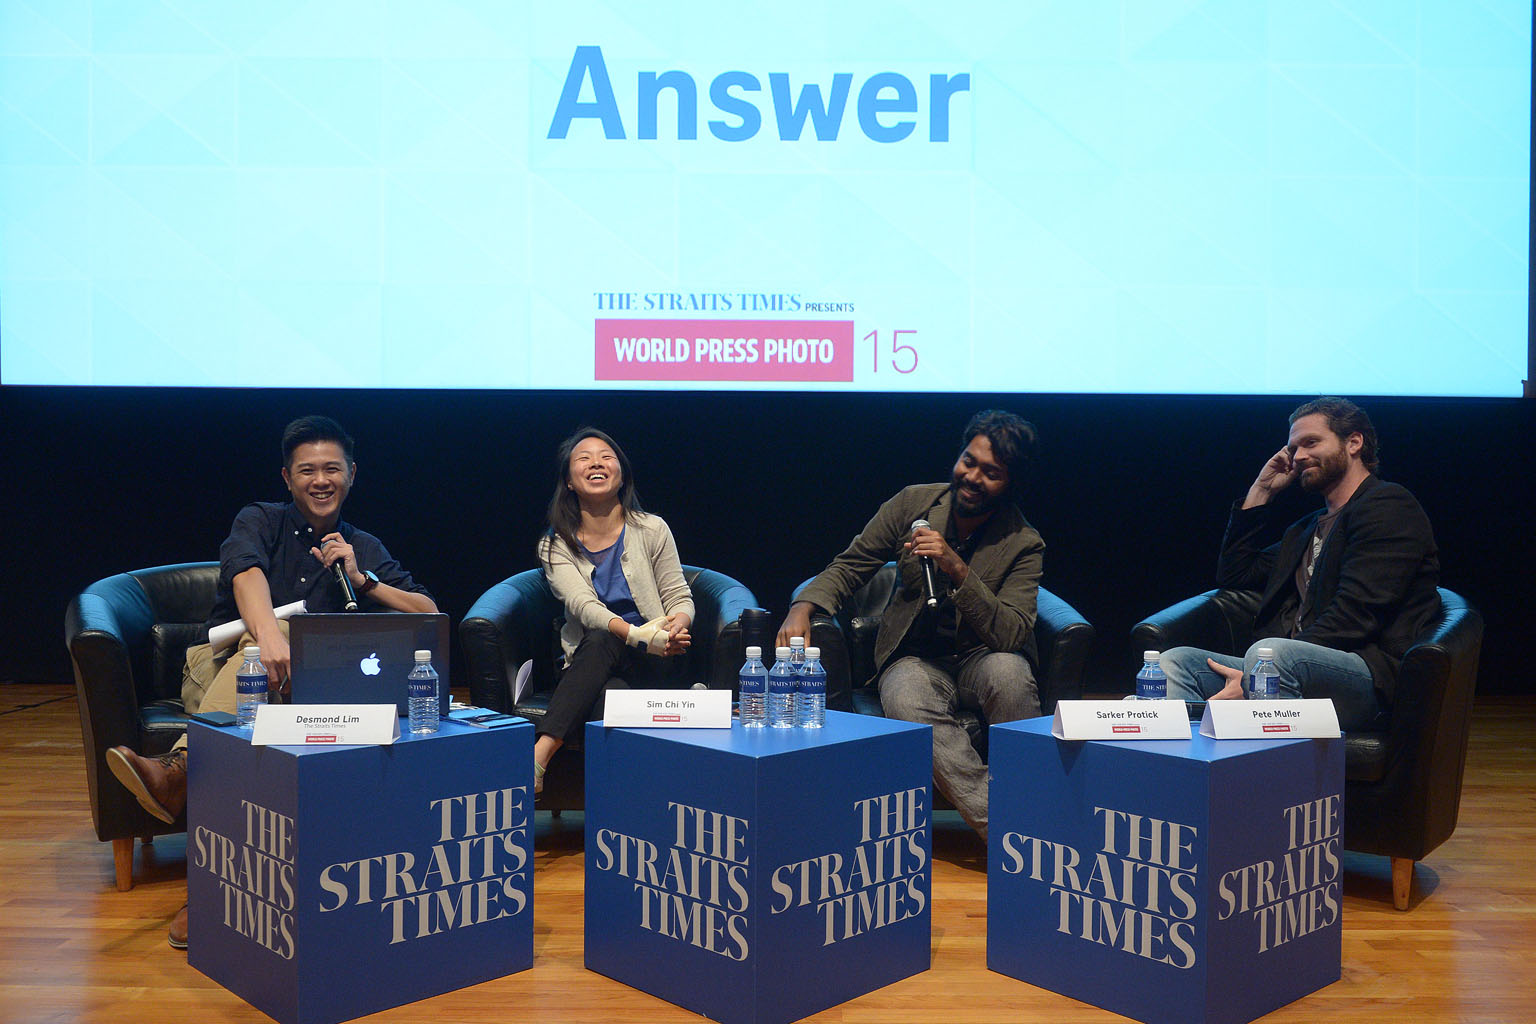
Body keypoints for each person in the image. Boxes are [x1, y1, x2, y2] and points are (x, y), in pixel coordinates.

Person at [105, 415, 437, 949]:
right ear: (288, 478)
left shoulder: (362, 546)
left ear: (352, 474)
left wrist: (362, 580)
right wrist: (269, 637)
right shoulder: (259, 519)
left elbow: (427, 612)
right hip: (218, 669)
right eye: (307, 470)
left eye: (332, 468)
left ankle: (193, 803)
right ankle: (186, 795)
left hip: (302, 688)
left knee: (271, 728)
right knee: (258, 665)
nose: (320, 480)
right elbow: (246, 575)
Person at [777, 410, 1044, 839]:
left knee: (1012, 675)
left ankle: (1030, 803)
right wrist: (803, 605)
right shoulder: (914, 503)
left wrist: (956, 567)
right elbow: (853, 564)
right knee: (905, 695)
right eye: (968, 461)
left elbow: (1012, 633)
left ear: (1011, 482)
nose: (972, 477)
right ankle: (1012, 828)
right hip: (914, 657)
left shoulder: (1023, 543)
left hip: (982, 655)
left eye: (990, 472)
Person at [1159, 397, 1440, 729]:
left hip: (1367, 677)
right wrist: (1261, 490)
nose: (1299, 456)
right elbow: (1236, 573)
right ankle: (1186, 777)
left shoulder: (1388, 507)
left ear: (1353, 442)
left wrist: (1257, 675)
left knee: (1273, 656)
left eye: (1311, 442)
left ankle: (1275, 779)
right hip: (1292, 664)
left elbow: (1355, 616)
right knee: (1175, 663)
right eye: (1294, 448)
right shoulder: (1307, 528)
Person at [534, 428, 694, 794]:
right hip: (593, 661)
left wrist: (675, 627)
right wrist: (636, 636)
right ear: (569, 482)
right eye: (584, 458)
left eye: (607, 457)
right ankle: (619, 811)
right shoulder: (555, 544)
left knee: (607, 642)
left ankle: (541, 752)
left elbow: (680, 597)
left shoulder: (653, 529)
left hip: (658, 659)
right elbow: (583, 606)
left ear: (621, 474)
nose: (596, 463)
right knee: (610, 690)